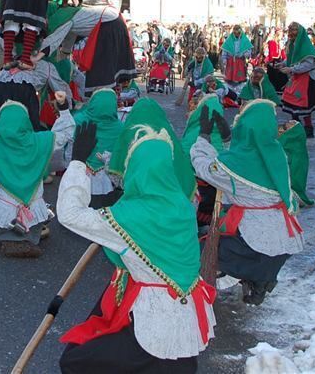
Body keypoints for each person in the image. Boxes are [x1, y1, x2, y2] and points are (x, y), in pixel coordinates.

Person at [57, 121, 214, 371]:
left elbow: (70, 215)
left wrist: (77, 163)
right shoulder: (182, 205)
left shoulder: (129, 217)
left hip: (154, 319)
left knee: (76, 361)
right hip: (186, 311)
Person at [189, 101, 305, 305]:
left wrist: (203, 138)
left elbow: (205, 168)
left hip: (253, 242)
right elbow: (241, 158)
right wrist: (227, 140)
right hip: (285, 239)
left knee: (201, 249)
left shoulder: (237, 166)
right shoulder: (276, 154)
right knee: (260, 253)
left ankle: (250, 278)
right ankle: (262, 280)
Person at [0, 102, 73, 258]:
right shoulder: (40, 141)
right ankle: (27, 232)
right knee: (30, 194)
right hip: (32, 209)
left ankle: (2, 234)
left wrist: (1, 171)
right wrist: (64, 110)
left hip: (3, 211)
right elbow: (66, 133)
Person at [276, 22, 315, 138]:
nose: (291, 33)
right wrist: (282, 64)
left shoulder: (306, 46)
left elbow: (309, 64)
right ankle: (296, 126)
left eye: (294, 30)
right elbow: (292, 59)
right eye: (290, 30)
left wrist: (291, 69)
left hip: (307, 80)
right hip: (296, 79)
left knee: (304, 106)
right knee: (291, 101)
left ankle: (308, 128)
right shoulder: (292, 45)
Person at [220, 25, 252, 93]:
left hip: (240, 63)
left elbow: (248, 51)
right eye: (235, 33)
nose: (237, 34)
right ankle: (230, 92)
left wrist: (244, 54)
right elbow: (225, 51)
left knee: (240, 80)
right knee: (229, 80)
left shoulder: (245, 40)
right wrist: (224, 60)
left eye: (238, 33)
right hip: (230, 63)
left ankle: (239, 92)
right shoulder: (229, 41)